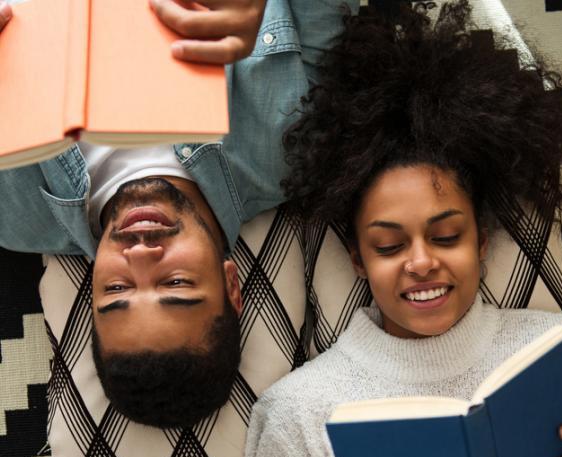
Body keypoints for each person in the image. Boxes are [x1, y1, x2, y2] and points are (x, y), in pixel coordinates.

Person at [243, 2, 562, 457]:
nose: (421, 262)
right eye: (388, 245)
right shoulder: (298, 413)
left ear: (482, 243)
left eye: (445, 236)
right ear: (357, 259)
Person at [0, 0, 359, 428]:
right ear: (230, 283)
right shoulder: (299, 143)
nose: (141, 253)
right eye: (175, 282)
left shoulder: (11, 213)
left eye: (117, 288)